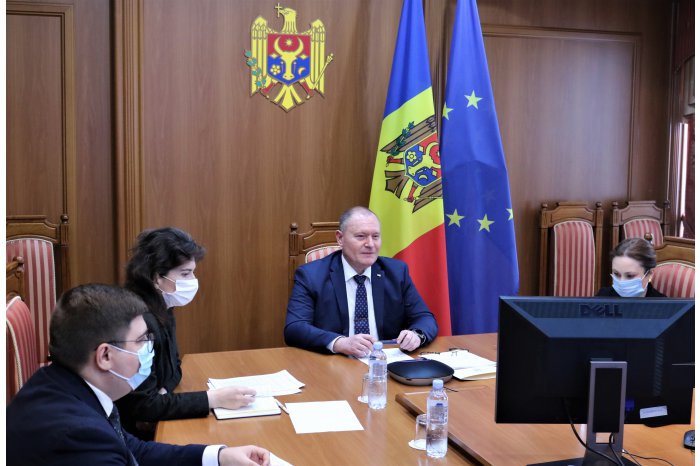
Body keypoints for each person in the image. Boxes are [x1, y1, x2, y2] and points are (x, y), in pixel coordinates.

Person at [6, 284, 270, 465]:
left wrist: (219, 457)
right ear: (105, 355)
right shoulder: (78, 435)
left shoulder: (65, 384)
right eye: (142, 340)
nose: (149, 349)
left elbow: (132, 450)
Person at [117, 227, 255, 439]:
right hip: (133, 436)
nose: (192, 280)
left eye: (192, 272)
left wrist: (163, 393)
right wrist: (213, 399)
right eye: (185, 274)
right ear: (157, 277)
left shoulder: (163, 306)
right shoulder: (138, 321)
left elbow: (175, 368)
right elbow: (143, 407)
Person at [285, 206, 438, 357]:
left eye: (375, 236)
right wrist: (339, 343)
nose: (370, 244)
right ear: (340, 238)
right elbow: (295, 327)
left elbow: (424, 318)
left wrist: (416, 335)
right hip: (335, 361)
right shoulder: (311, 275)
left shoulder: (397, 272)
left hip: (385, 361)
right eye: (361, 236)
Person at [596, 237, 666, 297]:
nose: (622, 282)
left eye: (630, 276)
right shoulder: (602, 297)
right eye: (616, 274)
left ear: (649, 274)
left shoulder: (664, 305)